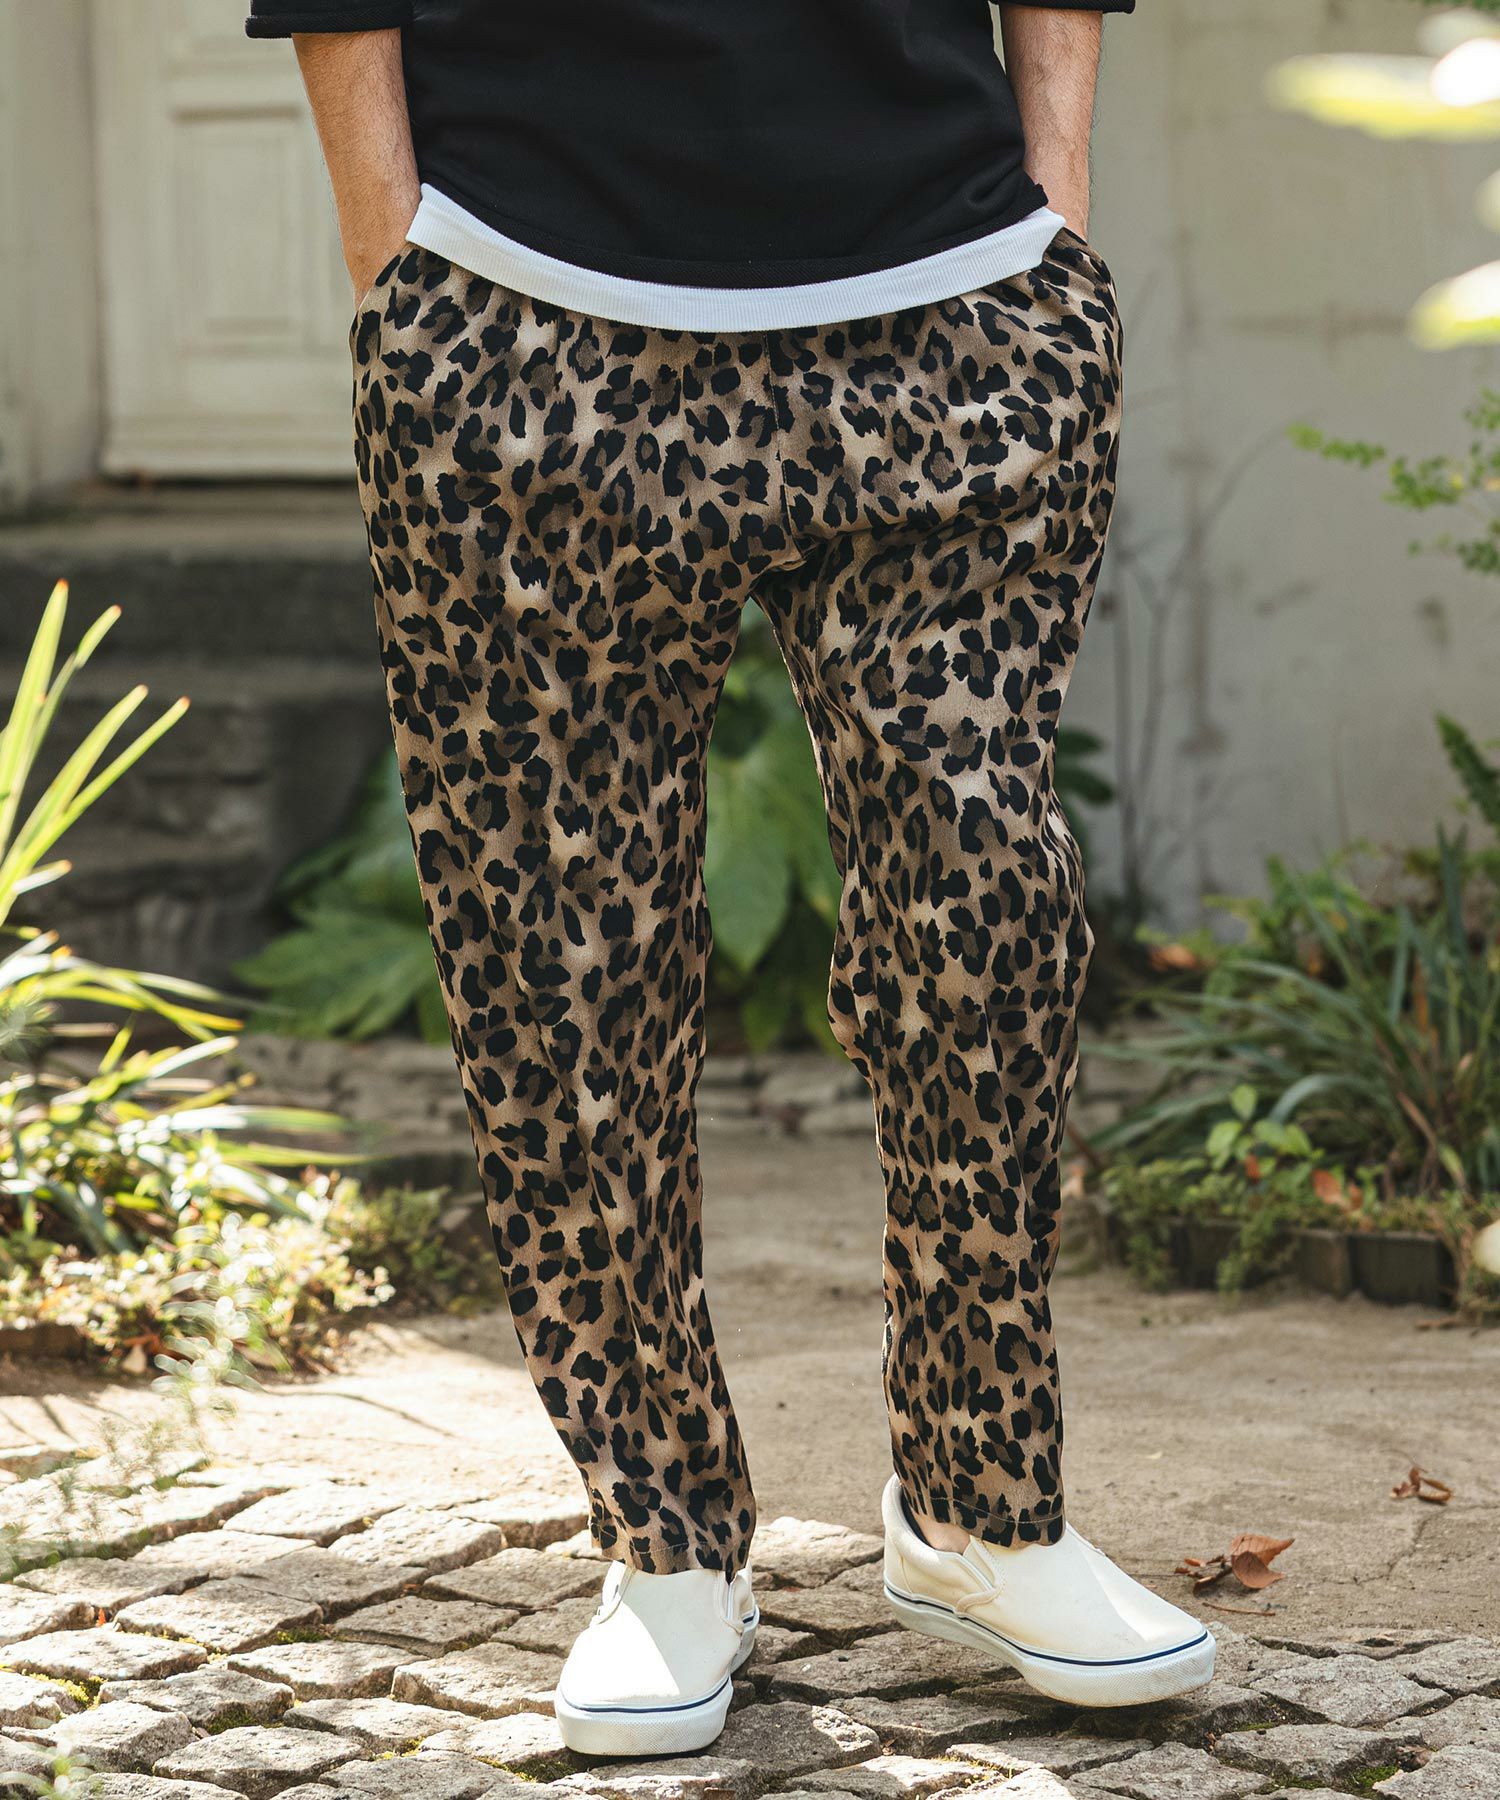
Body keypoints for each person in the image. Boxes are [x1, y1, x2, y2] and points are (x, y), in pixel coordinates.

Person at [247, 0, 1213, 1754]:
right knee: (560, 965)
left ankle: (983, 1506)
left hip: (949, 303)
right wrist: (397, 266)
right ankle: (666, 1541)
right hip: (525, 313)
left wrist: (1055, 210)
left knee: (987, 915)